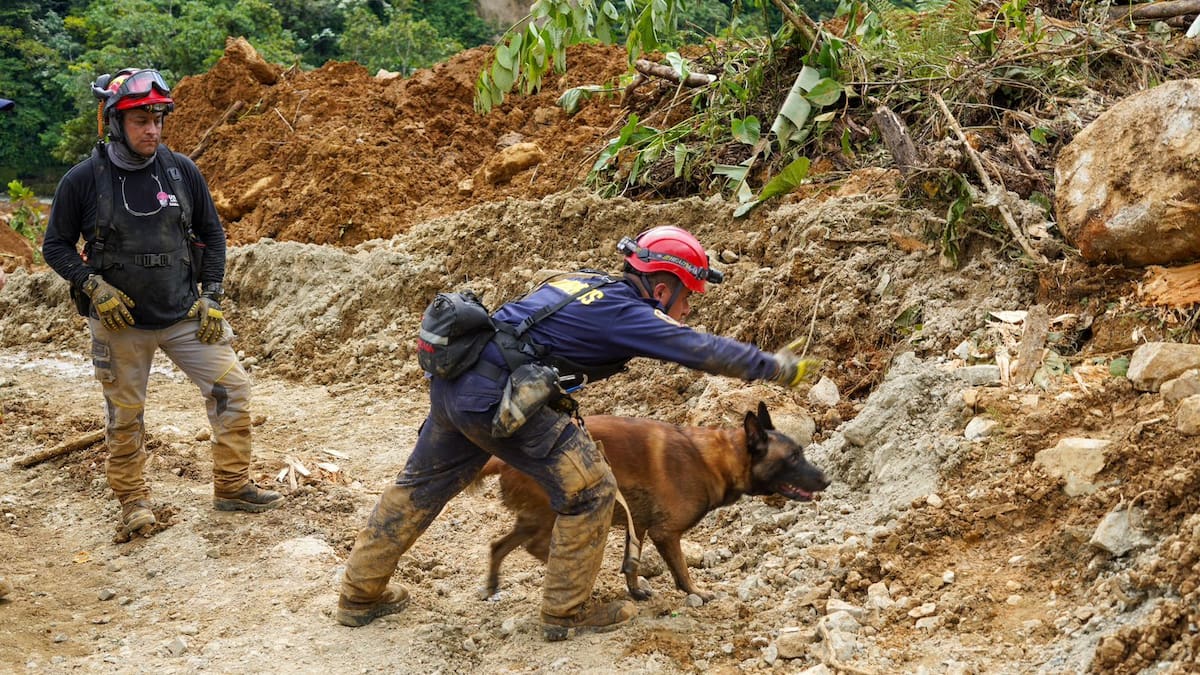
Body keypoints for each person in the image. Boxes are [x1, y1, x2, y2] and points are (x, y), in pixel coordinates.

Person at [336, 225, 818, 640]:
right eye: (688, 296)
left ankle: (359, 595)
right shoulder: (629, 313)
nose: (687, 309)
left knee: (419, 485)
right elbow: (697, 348)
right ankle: (567, 612)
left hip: (455, 384)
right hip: (501, 399)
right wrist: (773, 366)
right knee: (592, 490)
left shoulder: (584, 282)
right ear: (662, 288)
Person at [42, 68, 283, 538]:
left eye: (157, 119)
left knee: (232, 388)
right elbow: (55, 245)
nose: (152, 130)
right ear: (115, 122)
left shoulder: (180, 171)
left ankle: (232, 486)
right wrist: (93, 286)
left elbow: (212, 234)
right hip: (120, 322)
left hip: (183, 313)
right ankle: (133, 501)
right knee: (125, 414)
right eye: (140, 120)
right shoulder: (84, 180)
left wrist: (211, 295)